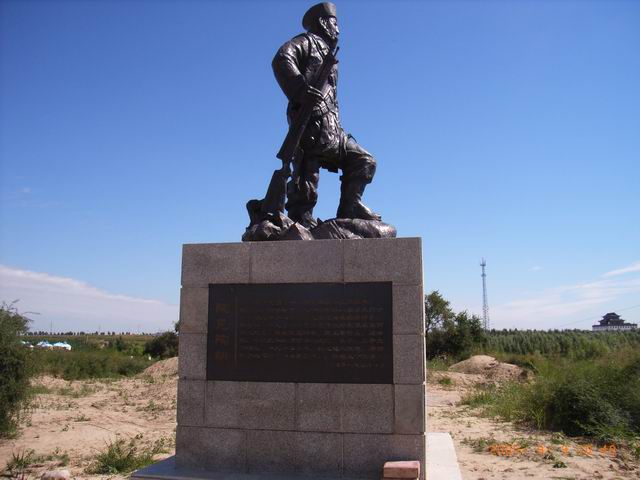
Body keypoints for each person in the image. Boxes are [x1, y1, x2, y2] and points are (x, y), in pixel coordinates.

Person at [272, 2, 381, 229]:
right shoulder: (306, 42)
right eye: (335, 23)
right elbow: (282, 58)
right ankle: (299, 221)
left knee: (364, 160)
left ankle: (350, 208)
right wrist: (301, 90)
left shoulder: (329, 54)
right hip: (309, 126)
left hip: (332, 129)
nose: (338, 29)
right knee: (305, 184)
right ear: (323, 22)